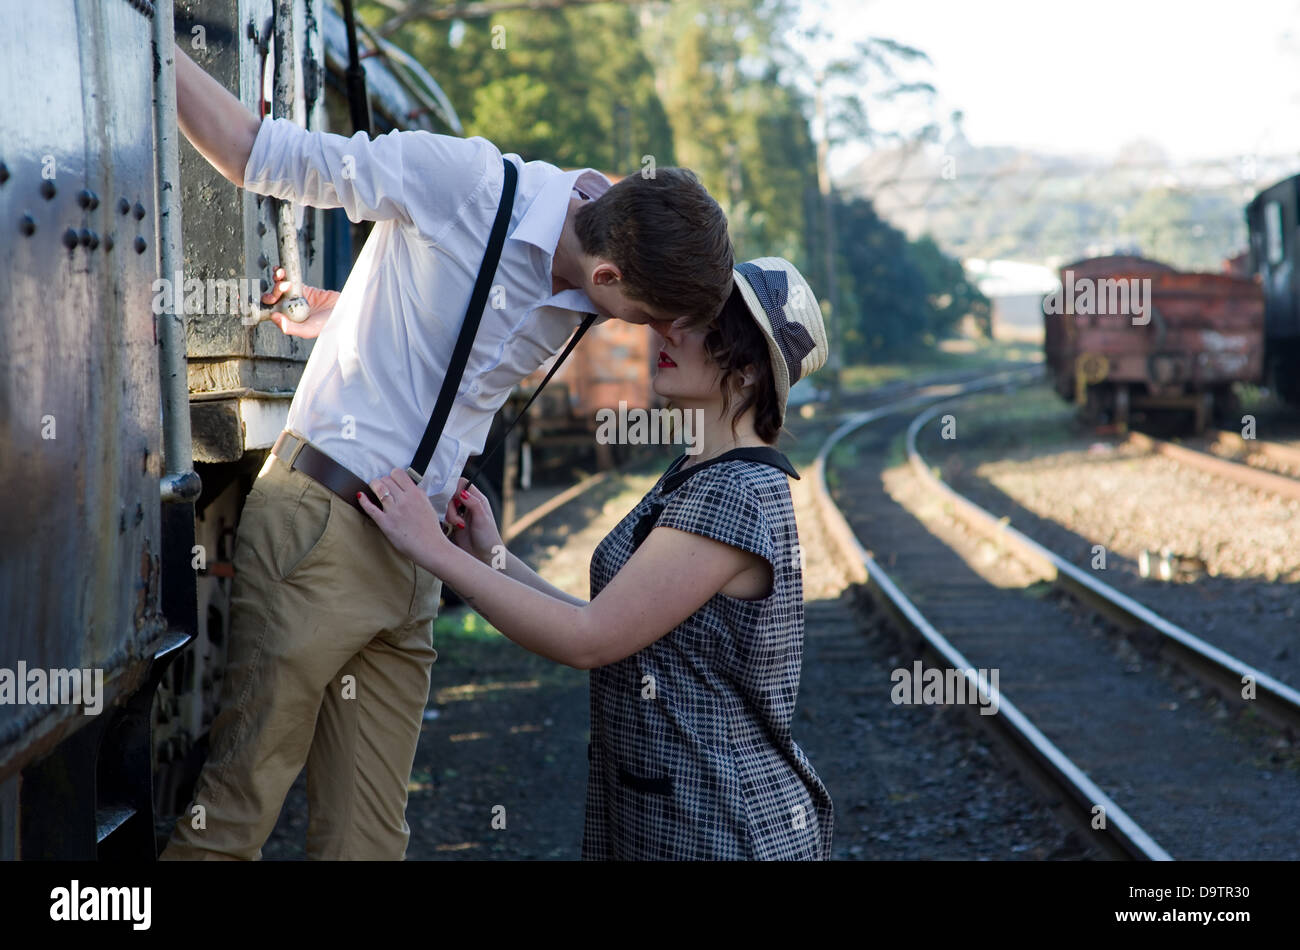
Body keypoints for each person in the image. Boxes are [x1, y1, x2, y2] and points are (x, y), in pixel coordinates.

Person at [160, 44, 734, 861]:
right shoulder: (462, 183)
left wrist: (343, 309)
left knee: (369, 841)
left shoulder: (599, 238)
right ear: (607, 275)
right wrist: (142, 24)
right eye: (638, 318)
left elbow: (446, 336)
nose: (637, 336)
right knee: (238, 811)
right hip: (321, 527)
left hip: (420, 557)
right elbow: (259, 154)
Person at [362, 258, 834, 860]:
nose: (667, 330)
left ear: (746, 370)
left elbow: (588, 640)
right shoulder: (697, 472)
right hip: (674, 810)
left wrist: (428, 550)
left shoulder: (732, 493)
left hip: (719, 824)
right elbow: (618, 625)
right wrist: (492, 555)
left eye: (699, 324)